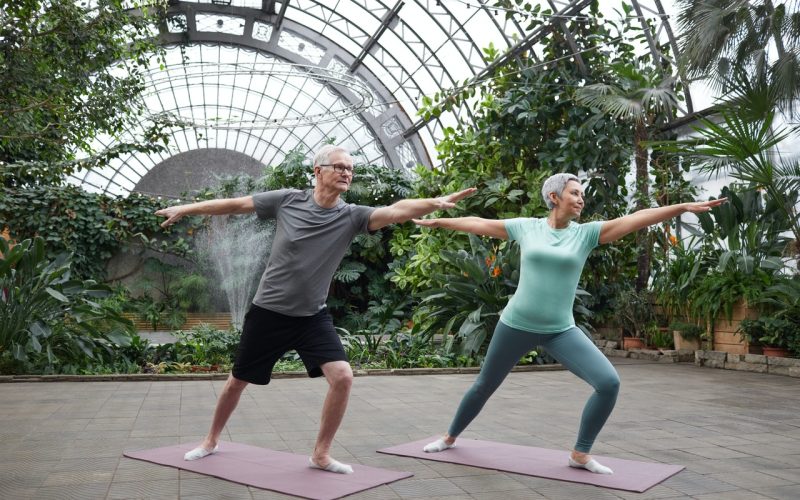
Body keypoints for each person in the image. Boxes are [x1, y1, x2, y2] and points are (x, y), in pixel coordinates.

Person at [155, 145, 475, 474]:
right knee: (237, 381)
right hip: (268, 312)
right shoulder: (288, 200)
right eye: (338, 166)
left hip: (312, 317)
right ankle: (210, 441)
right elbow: (237, 204)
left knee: (343, 377)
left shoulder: (352, 216)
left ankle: (320, 454)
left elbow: (396, 210)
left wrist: (435, 203)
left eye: (350, 169)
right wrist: (187, 208)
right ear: (318, 170)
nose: (346, 173)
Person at [414, 173, 726, 474]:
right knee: (484, 385)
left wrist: (682, 207)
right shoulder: (527, 228)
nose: (581, 199)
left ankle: (580, 453)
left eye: (582, 194)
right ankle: (449, 437)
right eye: (575, 193)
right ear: (554, 197)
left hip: (560, 330)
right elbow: (480, 224)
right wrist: (440, 220)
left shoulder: (586, 233)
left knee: (608, 383)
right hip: (515, 324)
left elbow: (637, 218)